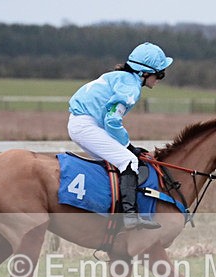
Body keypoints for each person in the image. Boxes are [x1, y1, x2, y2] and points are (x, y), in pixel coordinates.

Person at [68, 42, 173, 230]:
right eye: (160, 74)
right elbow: (112, 120)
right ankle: (129, 217)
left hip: (82, 123)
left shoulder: (119, 77)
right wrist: (128, 146)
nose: (160, 79)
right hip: (86, 125)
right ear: (144, 72)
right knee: (129, 161)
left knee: (116, 165)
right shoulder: (131, 87)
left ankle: (108, 211)